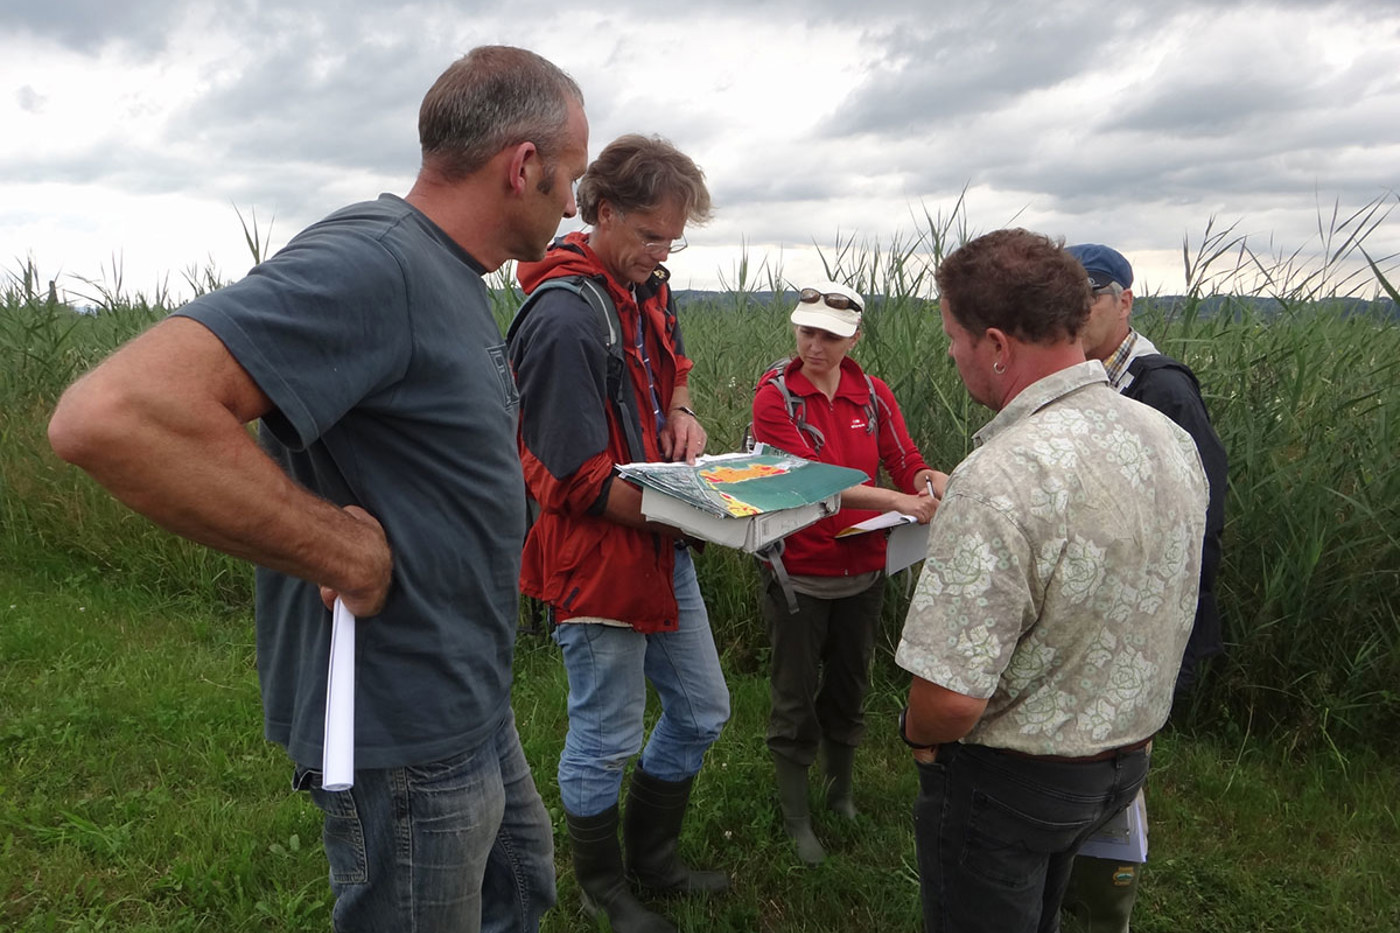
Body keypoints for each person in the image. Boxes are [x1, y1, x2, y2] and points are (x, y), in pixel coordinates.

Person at [47, 45, 588, 933]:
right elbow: (113, 414)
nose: (572, 204)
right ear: (522, 164)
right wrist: (334, 546)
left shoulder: (445, 274)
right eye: (568, 178)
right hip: (403, 717)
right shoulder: (378, 262)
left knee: (519, 888)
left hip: (469, 693)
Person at [894, 228, 1209, 933]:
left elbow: (948, 697)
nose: (950, 353)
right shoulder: (1168, 436)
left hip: (1009, 786)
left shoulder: (1003, 474)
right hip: (1121, 766)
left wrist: (916, 734)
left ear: (998, 344)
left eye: (954, 336)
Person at [507, 134, 729, 933]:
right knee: (605, 731)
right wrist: (709, 511)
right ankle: (605, 886)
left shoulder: (646, 287)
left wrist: (683, 413)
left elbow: (672, 371)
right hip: (597, 558)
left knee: (703, 708)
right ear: (602, 212)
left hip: (657, 541)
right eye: (649, 234)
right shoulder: (566, 317)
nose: (661, 252)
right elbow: (566, 478)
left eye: (672, 237)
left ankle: (654, 857)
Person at [1060, 242, 1230, 933]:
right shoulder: (1087, 380)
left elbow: (1202, 517)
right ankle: (1075, 888)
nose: (1077, 312)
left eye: (1090, 296)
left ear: (1124, 301)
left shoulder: (1160, 390)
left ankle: (1104, 909)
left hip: (1143, 620)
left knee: (1116, 770)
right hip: (1095, 615)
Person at [749, 280, 945, 865]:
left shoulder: (873, 393)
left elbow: (905, 459)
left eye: (832, 335)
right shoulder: (775, 398)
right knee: (794, 695)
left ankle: (840, 795)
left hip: (864, 566)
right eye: (808, 331)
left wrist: (928, 482)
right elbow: (808, 482)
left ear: (854, 337)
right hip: (799, 570)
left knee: (850, 684)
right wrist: (895, 502)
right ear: (795, 330)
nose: (816, 345)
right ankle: (795, 815)